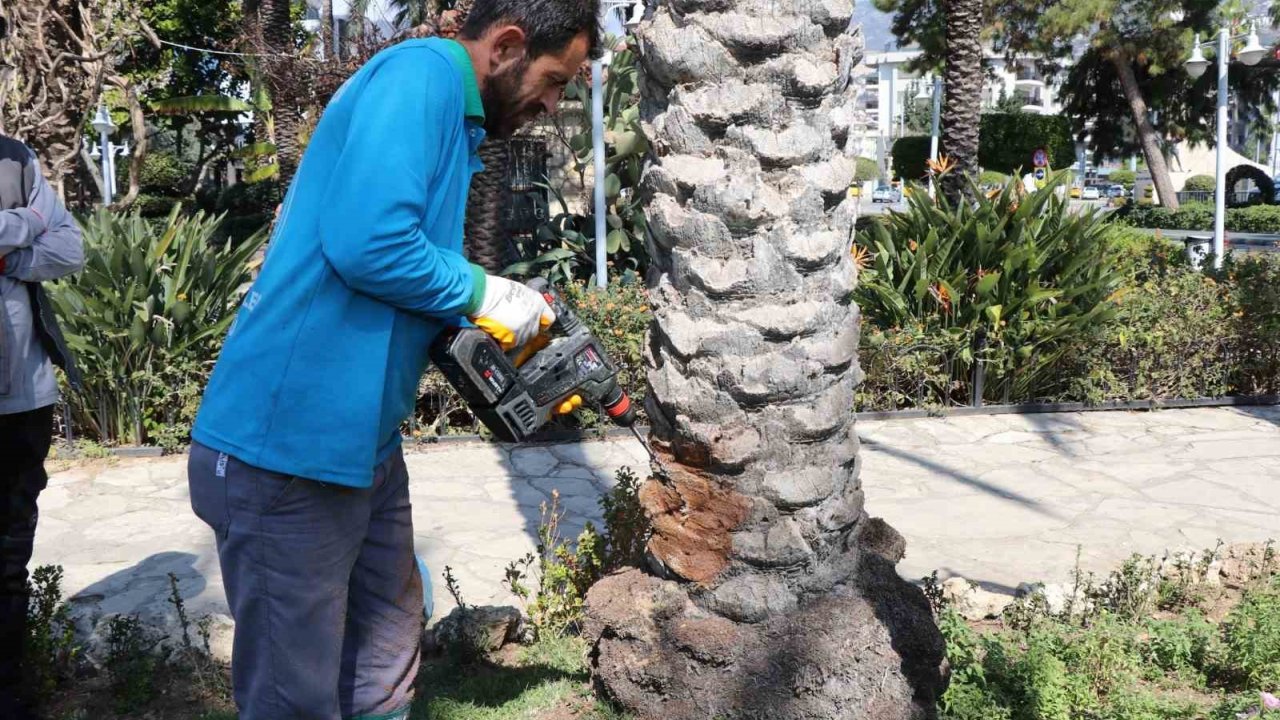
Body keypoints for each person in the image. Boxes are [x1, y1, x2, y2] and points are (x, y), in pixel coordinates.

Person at [186, 1, 599, 718]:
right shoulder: (422, 77)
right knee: (295, 699)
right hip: (287, 450)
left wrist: (484, 324)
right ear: (506, 45)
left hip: (360, 449)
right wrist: (481, 290)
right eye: (556, 80)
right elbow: (369, 244)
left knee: (384, 655)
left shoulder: (452, 113)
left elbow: (402, 265)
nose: (554, 104)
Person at [0, 135, 84, 720]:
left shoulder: (17, 159)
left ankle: (9, 693)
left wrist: (9, 254)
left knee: (8, 560)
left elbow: (72, 249)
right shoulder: (24, 187)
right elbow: (44, 229)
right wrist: (26, 222)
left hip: (21, 400)